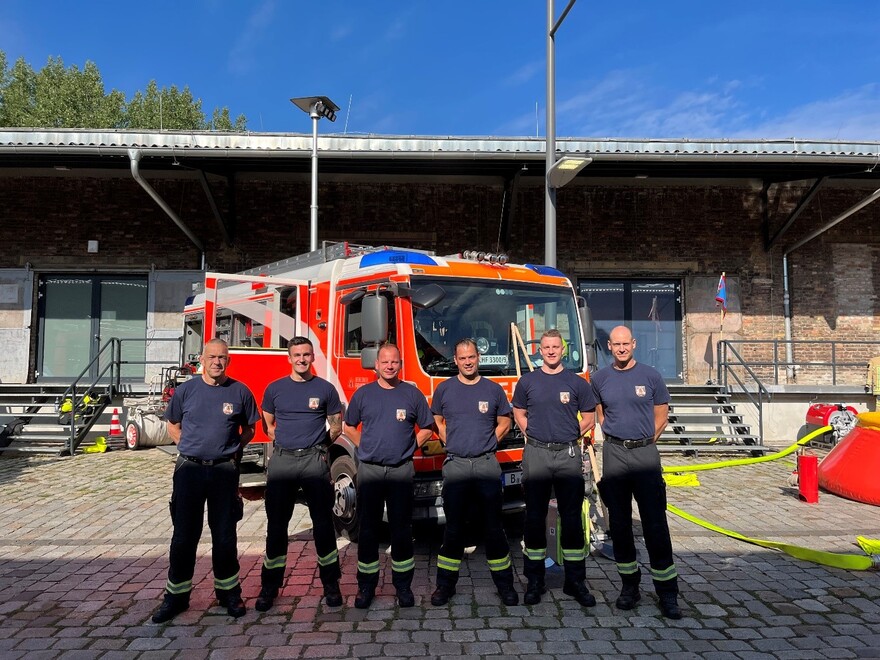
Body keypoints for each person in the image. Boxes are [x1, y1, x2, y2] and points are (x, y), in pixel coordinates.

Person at [152, 338, 259, 623]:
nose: (217, 362)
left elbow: (249, 428)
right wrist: (189, 447)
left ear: (228, 360)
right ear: (202, 358)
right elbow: (172, 425)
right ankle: (176, 597)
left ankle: (228, 594)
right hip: (190, 471)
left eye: (222, 357)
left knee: (225, 536)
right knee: (184, 536)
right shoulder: (186, 391)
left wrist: (232, 450)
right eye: (212, 357)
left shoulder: (239, 391)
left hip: (224, 472)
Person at [591, 325, 681, 619]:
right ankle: (629, 587)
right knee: (619, 525)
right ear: (609, 346)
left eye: (625, 344)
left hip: (645, 454)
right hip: (614, 454)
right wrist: (618, 438)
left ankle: (667, 593)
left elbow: (661, 416)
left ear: (634, 344)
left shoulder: (651, 376)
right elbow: (601, 414)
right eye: (615, 344)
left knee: (655, 523)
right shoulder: (600, 378)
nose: (620, 348)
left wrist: (642, 442)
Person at [255, 337, 343, 612]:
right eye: (296, 355)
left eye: (306, 354)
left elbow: (336, 426)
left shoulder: (326, 389)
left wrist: (318, 448)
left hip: (313, 461)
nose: (302, 359)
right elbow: (269, 424)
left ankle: (331, 585)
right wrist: (288, 443)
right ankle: (269, 587)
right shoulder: (275, 389)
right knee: (277, 527)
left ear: (313, 356)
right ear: (289, 358)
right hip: (283, 461)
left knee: (324, 526)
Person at [343, 343, 434, 609]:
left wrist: (408, 448)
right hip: (370, 470)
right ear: (376, 365)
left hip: (400, 470)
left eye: (395, 362)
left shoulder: (412, 394)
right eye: (385, 362)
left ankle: (403, 586)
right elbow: (348, 426)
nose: (390, 366)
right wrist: (365, 446)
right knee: (368, 530)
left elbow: (427, 428)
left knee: (402, 530)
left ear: (400, 364)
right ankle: (366, 586)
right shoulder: (363, 395)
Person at [511, 328, 598, 607]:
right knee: (534, 518)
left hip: (568, 455)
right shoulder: (527, 382)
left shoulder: (576, 383)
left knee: (571, 519)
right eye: (546, 347)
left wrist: (573, 434)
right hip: (536, 454)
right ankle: (535, 581)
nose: (550, 351)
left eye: (555, 347)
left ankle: (575, 581)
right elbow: (518, 412)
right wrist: (531, 433)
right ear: (540, 351)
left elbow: (590, 416)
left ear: (563, 350)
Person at [430, 338, 518, 607]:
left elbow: (506, 419)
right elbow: (436, 420)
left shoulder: (493, 390)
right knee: (453, 530)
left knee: (494, 527)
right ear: (455, 360)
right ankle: (445, 586)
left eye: (472, 357)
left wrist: (490, 440)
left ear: (478, 357)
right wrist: (449, 439)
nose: (468, 362)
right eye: (462, 358)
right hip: (456, 464)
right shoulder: (444, 390)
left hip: (486, 464)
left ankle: (505, 586)